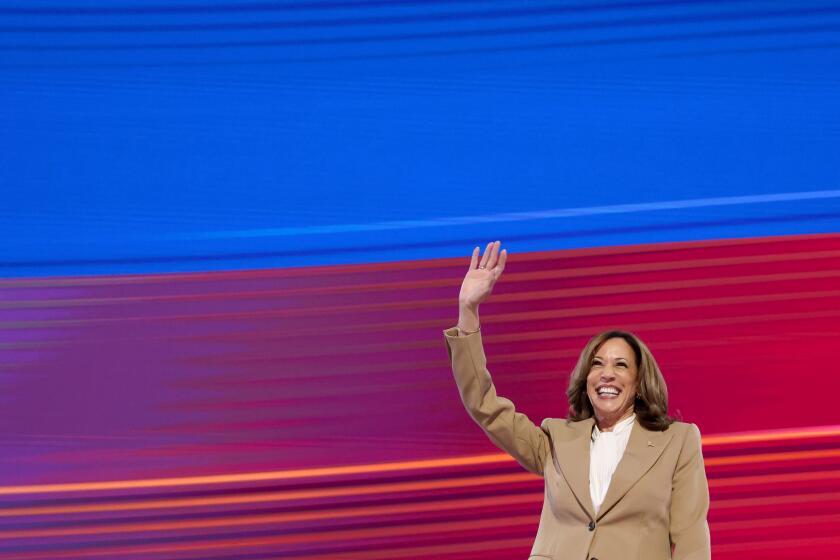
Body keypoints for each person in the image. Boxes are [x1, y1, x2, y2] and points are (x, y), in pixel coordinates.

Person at [443, 241, 711, 560]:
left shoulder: (678, 442)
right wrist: (468, 311)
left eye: (620, 365)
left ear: (639, 384)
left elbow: (692, 538)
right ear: (586, 381)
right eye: (597, 364)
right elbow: (484, 406)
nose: (606, 374)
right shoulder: (555, 440)